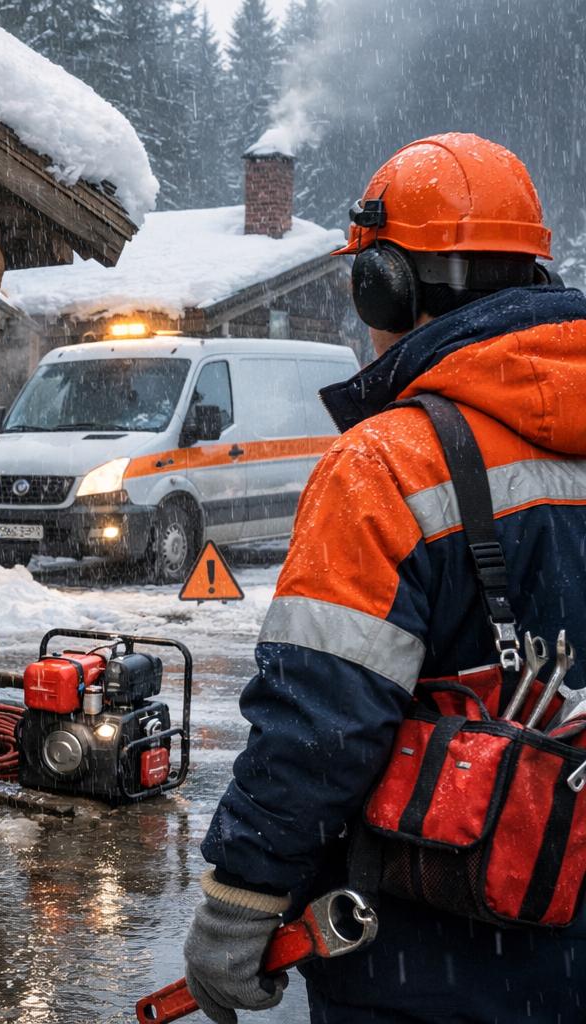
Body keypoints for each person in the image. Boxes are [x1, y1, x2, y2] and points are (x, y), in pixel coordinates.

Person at [183, 132, 586, 1022]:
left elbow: (319, 721)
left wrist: (242, 901)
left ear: (386, 285)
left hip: (430, 953)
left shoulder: (390, 466)